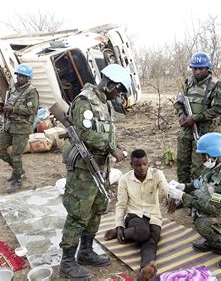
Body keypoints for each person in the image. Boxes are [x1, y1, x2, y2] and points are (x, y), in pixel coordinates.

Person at [59, 64, 131, 280]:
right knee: (78, 214)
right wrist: (112, 149)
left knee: (97, 208)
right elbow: (84, 134)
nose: (118, 95)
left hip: (100, 167)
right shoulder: (85, 101)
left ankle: (86, 251)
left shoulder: (103, 102)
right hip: (83, 170)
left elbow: (106, 134)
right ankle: (67, 262)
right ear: (111, 85)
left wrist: (113, 148)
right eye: (118, 90)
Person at [167, 133, 221, 269]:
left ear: (213, 153)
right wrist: (183, 186)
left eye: (204, 155)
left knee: (203, 223)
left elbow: (214, 209)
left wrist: (182, 196)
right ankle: (217, 244)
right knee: (198, 205)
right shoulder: (214, 168)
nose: (201, 158)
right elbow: (198, 185)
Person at [104, 149, 168, 279]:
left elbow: (166, 189)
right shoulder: (124, 179)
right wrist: (119, 224)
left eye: (145, 164)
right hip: (134, 216)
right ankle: (121, 232)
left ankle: (145, 269)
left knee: (152, 240)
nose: (142, 168)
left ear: (148, 163)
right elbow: (121, 205)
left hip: (154, 217)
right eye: (138, 165)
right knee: (143, 232)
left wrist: (171, 196)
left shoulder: (157, 174)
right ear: (131, 165)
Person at [175, 52, 221, 183]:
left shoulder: (216, 85)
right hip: (187, 128)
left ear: (208, 68)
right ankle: (182, 190)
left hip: (204, 131)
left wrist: (196, 118)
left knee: (199, 165)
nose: (197, 72)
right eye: (194, 69)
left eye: (200, 69)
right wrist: (181, 114)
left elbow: (218, 109)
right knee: (182, 161)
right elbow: (180, 102)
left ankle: (197, 194)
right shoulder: (188, 82)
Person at [0, 64, 39, 193]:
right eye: (18, 75)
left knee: (16, 154)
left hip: (22, 127)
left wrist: (13, 109)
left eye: (23, 76)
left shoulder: (31, 91)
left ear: (28, 78)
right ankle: (18, 170)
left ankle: (18, 180)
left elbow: (32, 110)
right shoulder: (13, 89)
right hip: (9, 124)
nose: (19, 78)